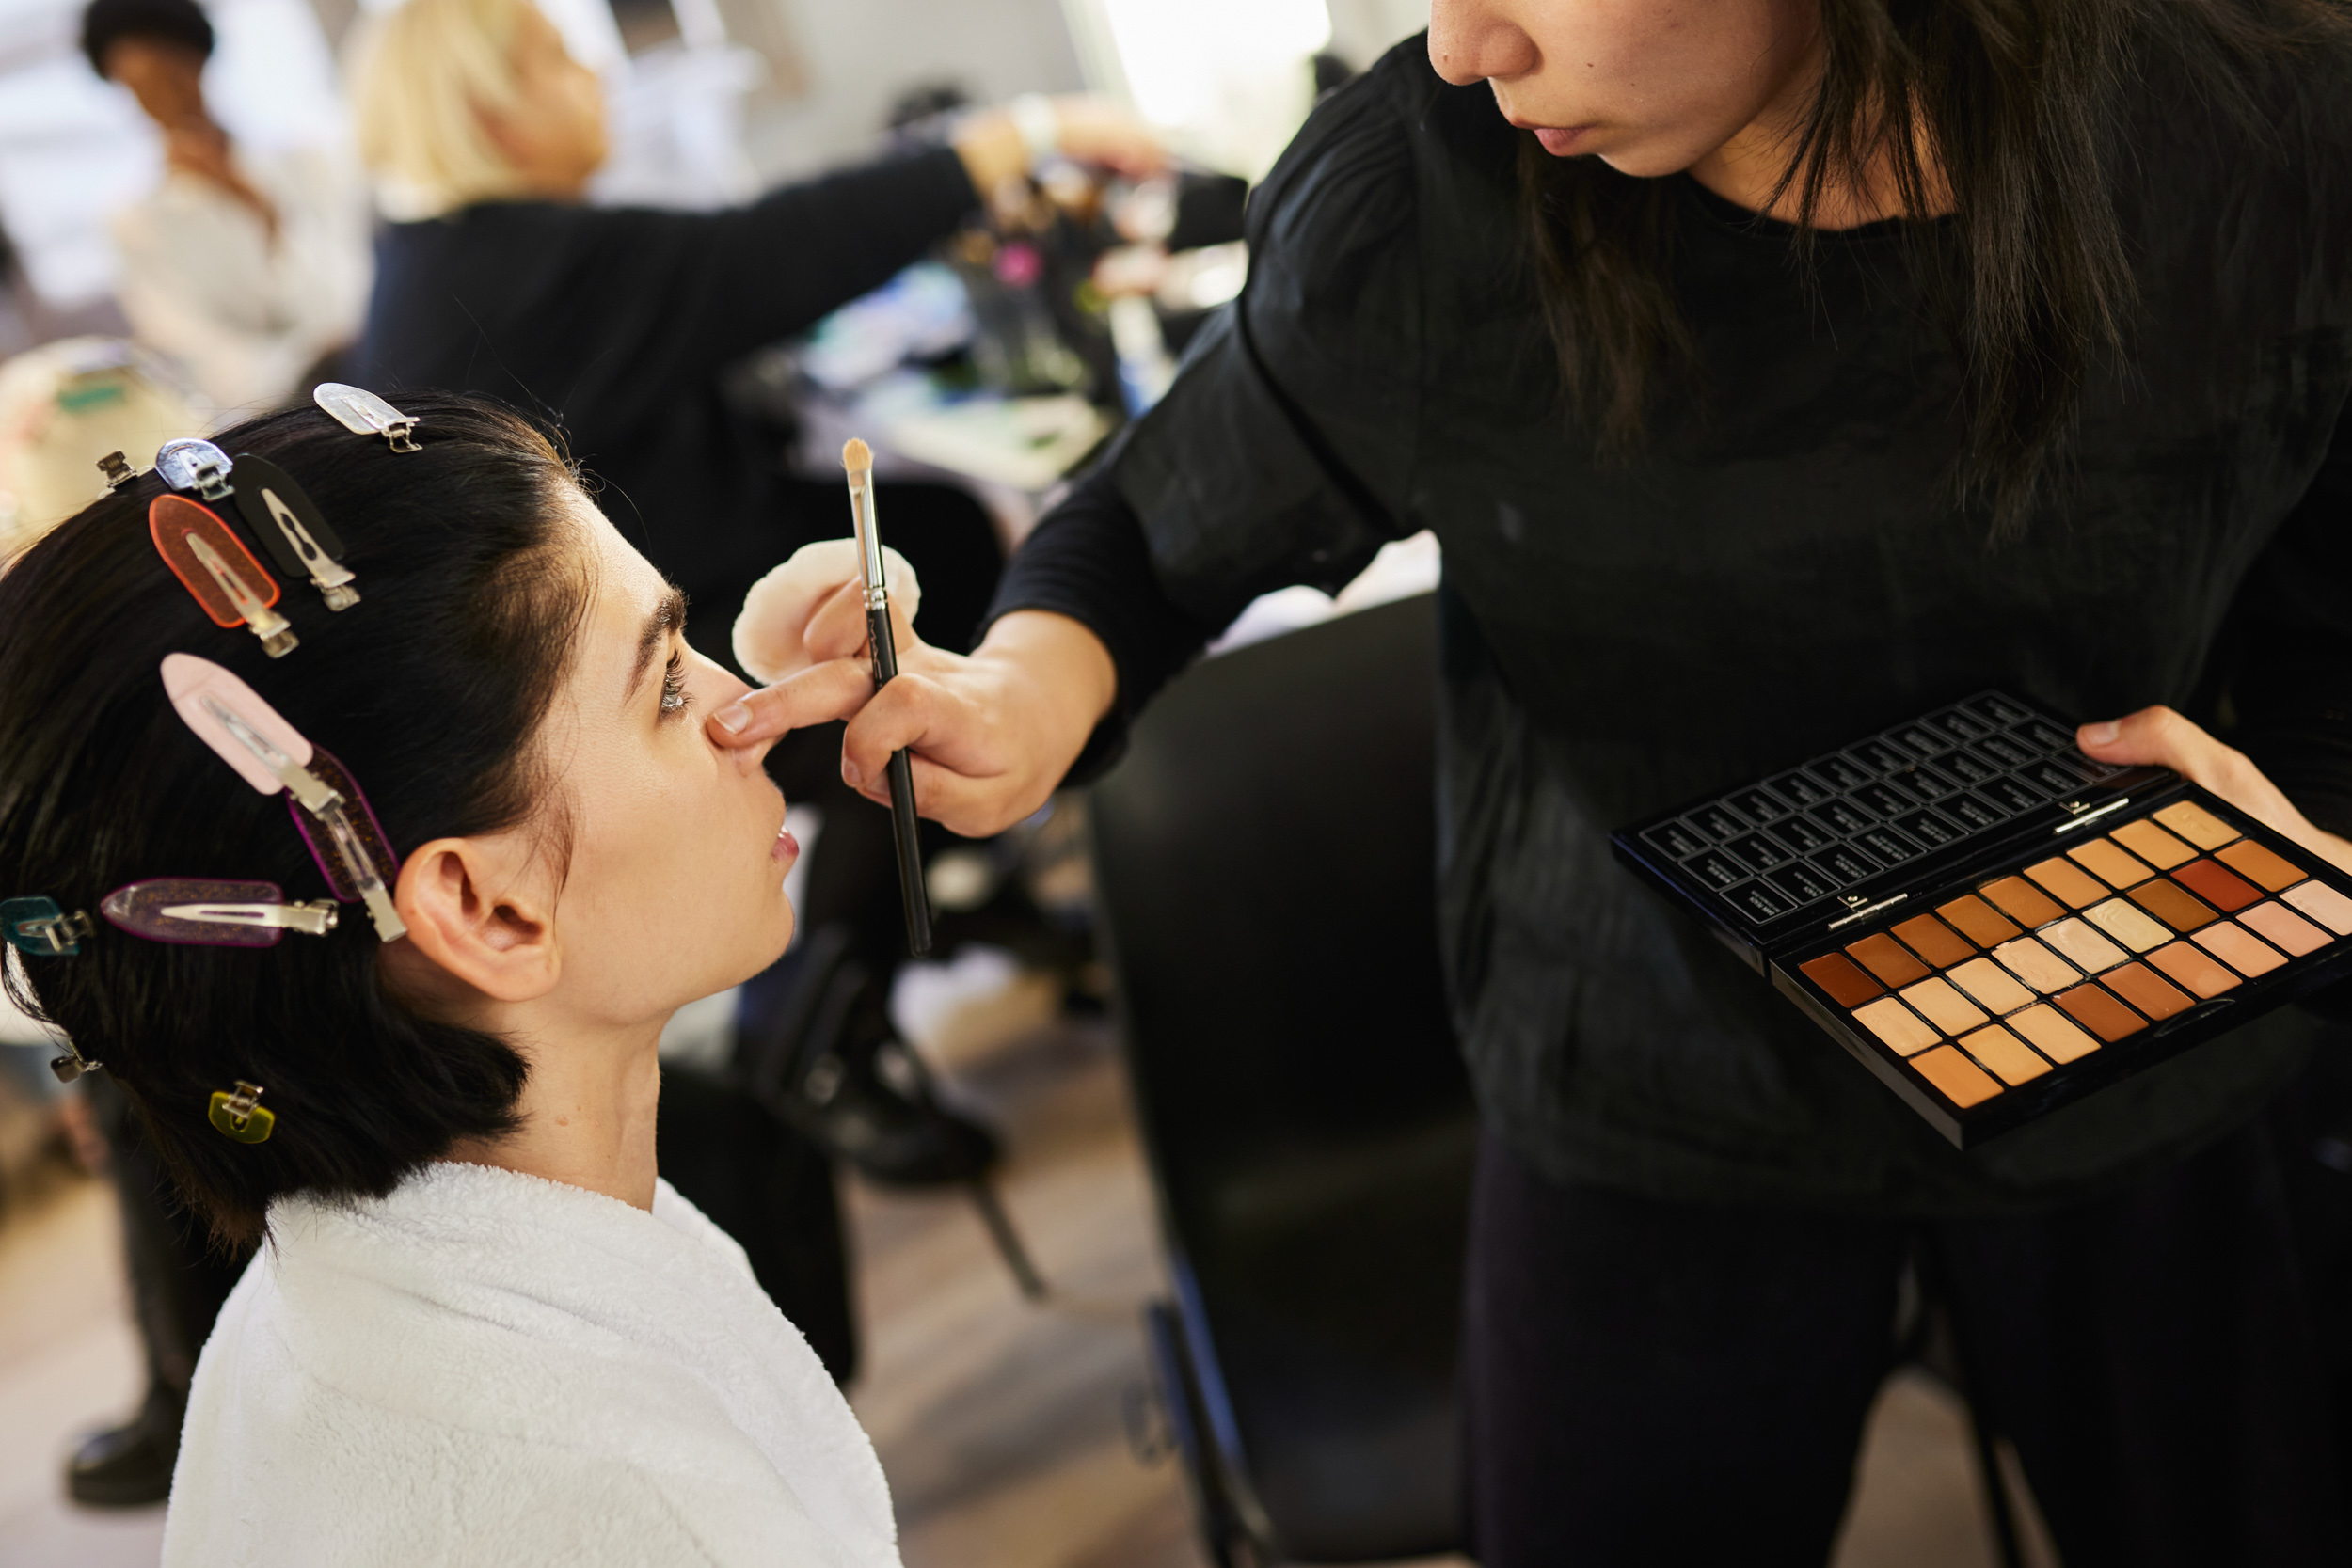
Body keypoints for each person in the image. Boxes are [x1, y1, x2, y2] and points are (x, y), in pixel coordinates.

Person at [717, 2, 2352, 1562]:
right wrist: (1013, 694)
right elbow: (1154, 525)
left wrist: (2321, 822)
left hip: (2142, 1000)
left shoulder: (2268, 127)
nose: (1462, 44)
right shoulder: (1430, 190)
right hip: (1645, 1058)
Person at [0, 391, 900, 1564]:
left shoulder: (306, 1321)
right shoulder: (633, 1502)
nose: (749, 709)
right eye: (668, 685)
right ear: (481, 907)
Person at [352, 0, 1160, 1183]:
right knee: (894, 641)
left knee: (930, 534)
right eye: (559, 62)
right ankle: (814, 1025)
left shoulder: (459, 257)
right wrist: (1023, 132)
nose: (594, 77)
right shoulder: (511, 265)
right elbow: (764, 257)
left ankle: (917, 895)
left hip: (627, 620)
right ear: (487, 108)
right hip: (588, 701)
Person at [81, 0, 371, 416]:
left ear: (200, 61)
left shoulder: (306, 161)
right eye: (142, 84)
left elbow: (343, 303)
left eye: (173, 72)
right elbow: (199, 355)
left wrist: (253, 204)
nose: (164, 96)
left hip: (370, 374)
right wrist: (307, 368)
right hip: (276, 413)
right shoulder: (134, 223)